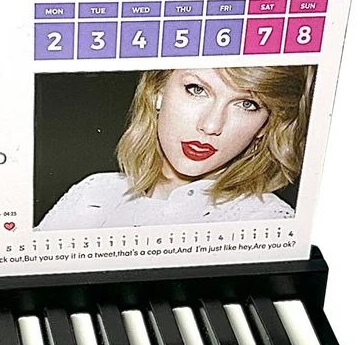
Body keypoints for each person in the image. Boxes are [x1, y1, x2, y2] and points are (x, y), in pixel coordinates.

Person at [36, 64, 315, 230]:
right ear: (158, 91)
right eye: (197, 89)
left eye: (247, 104)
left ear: (265, 126)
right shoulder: (94, 192)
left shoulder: (264, 221)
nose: (211, 125)